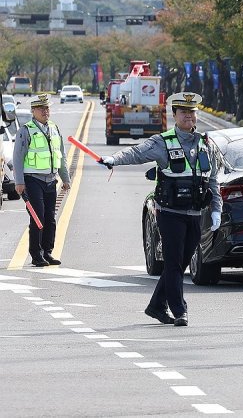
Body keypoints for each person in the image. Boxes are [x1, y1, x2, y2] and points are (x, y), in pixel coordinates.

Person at [98, 92, 222, 327]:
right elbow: (136, 153)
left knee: (181, 263)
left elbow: (213, 179)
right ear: (174, 115)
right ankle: (180, 310)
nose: (188, 116)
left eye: (192, 112)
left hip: (195, 214)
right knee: (173, 262)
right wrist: (113, 159)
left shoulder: (207, 144)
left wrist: (216, 209)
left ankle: (156, 306)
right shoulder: (163, 142)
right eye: (183, 112)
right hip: (170, 214)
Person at [13, 94, 71, 267]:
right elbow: (17, 157)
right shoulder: (26, 130)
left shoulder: (54, 128)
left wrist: (65, 178)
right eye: (41, 109)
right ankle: (36, 254)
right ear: (33, 111)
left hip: (51, 180)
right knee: (37, 217)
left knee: (50, 218)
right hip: (32, 180)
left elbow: (60, 155)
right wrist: (19, 182)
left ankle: (47, 252)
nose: (45, 112)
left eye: (47, 108)